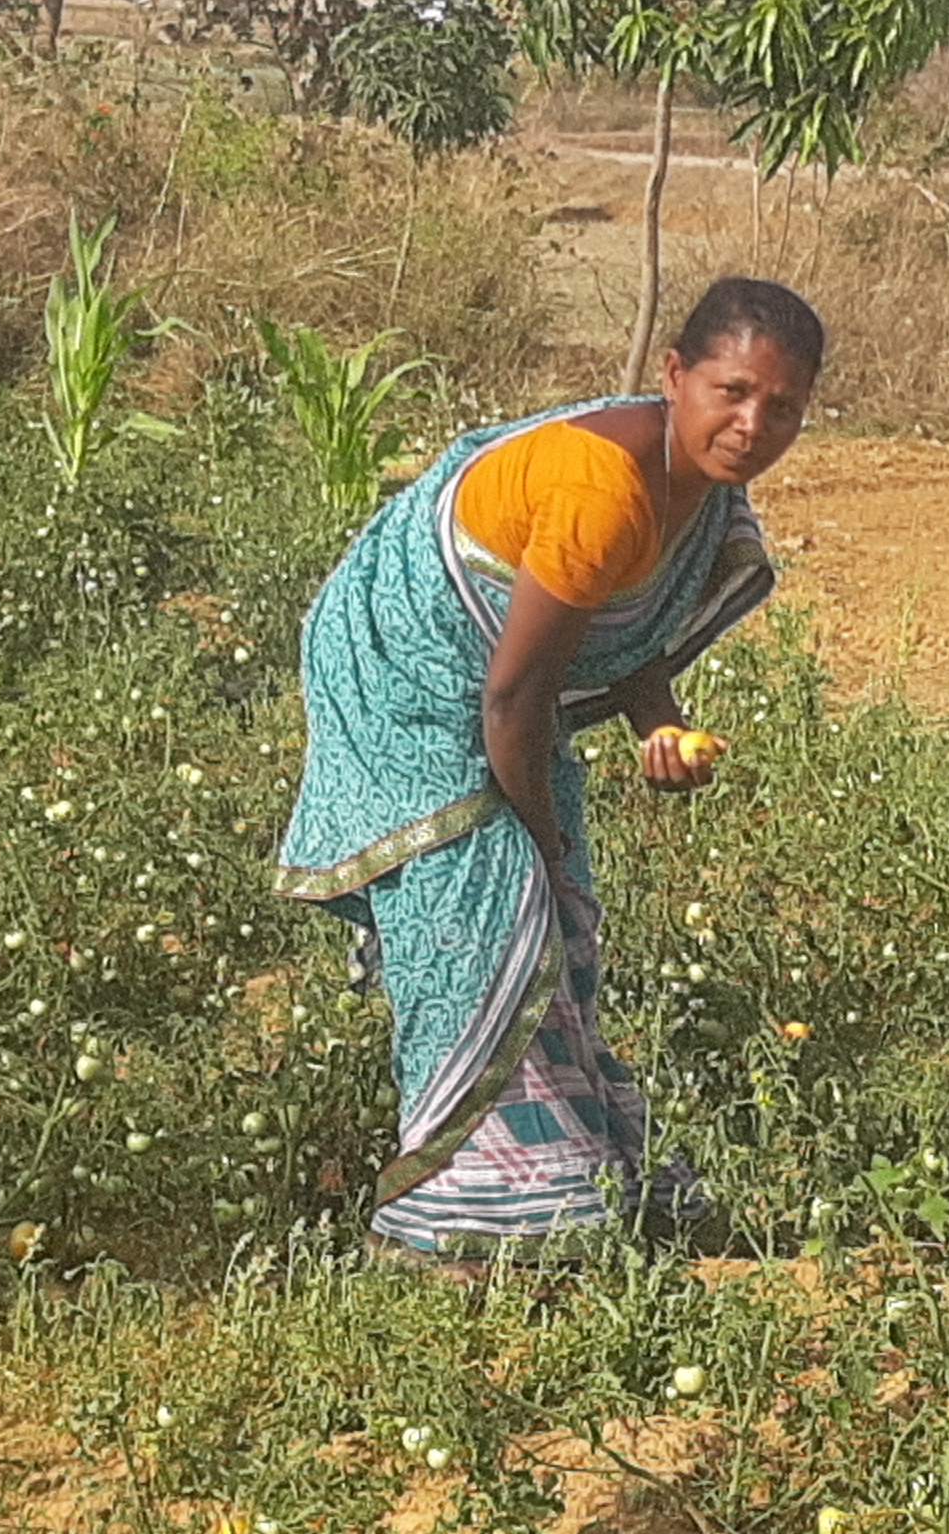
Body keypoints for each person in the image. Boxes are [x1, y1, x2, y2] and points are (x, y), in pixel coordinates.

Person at [274, 278, 822, 1260]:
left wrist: (661, 721)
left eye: (781, 406)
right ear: (673, 374)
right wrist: (539, 835)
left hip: (496, 689)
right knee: (490, 902)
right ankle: (456, 1216)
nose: (752, 424)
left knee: (552, 922)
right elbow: (514, 698)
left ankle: (568, 1178)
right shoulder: (601, 487)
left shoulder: (697, 490)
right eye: (732, 391)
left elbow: (624, 642)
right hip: (406, 674)